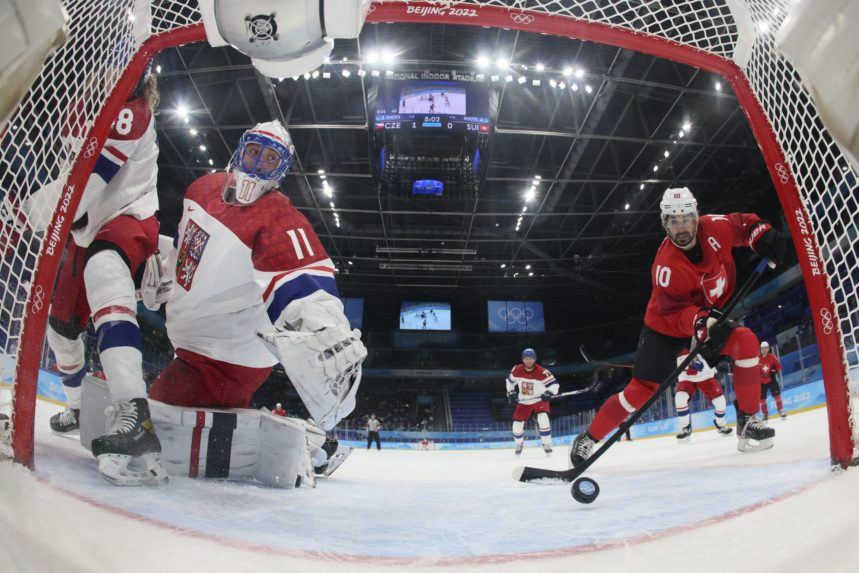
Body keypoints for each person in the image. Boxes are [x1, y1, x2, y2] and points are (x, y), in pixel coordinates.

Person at [147, 120, 366, 431]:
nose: (260, 162)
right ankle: (300, 441)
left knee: (161, 417)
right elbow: (188, 247)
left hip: (225, 356)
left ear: (282, 169)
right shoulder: (202, 188)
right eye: (254, 151)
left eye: (271, 158)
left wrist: (324, 328)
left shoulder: (280, 217)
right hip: (191, 341)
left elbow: (303, 280)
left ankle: (302, 445)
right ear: (239, 151)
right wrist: (168, 276)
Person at [570, 187, 786, 465]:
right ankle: (588, 438)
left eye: (685, 218)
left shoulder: (715, 227)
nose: (681, 226)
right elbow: (673, 312)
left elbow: (743, 224)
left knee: (746, 341)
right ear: (664, 223)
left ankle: (747, 421)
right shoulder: (667, 266)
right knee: (640, 391)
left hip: (707, 317)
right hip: (666, 328)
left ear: (696, 217)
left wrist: (761, 234)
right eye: (673, 220)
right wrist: (700, 321)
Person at [42, 67, 166, 486]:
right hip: (87, 226)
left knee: (104, 269)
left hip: (127, 217)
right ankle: (78, 406)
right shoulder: (81, 108)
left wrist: (32, 214)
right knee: (60, 328)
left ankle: (134, 413)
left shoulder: (134, 109)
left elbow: (89, 185)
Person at [506, 348, 558, 455]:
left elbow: (554, 385)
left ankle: (546, 443)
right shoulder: (516, 370)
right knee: (516, 426)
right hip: (524, 401)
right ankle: (519, 443)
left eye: (531, 358)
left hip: (539, 400)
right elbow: (509, 381)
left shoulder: (542, 372)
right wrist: (510, 392)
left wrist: (549, 392)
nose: (528, 361)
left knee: (543, 419)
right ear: (523, 359)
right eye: (526, 358)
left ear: (534, 359)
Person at [674, 351, 733, 442]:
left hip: (705, 374)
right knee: (680, 398)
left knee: (720, 401)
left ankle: (720, 424)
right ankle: (685, 427)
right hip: (686, 376)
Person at [759, 341, 785, 421]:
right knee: (762, 399)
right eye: (762, 348)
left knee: (777, 396)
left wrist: (775, 371)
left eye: (766, 348)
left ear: (768, 348)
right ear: (760, 349)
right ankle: (765, 414)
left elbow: (779, 367)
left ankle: (781, 411)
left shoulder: (772, 357)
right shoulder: (757, 358)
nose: (764, 350)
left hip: (771, 380)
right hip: (761, 382)